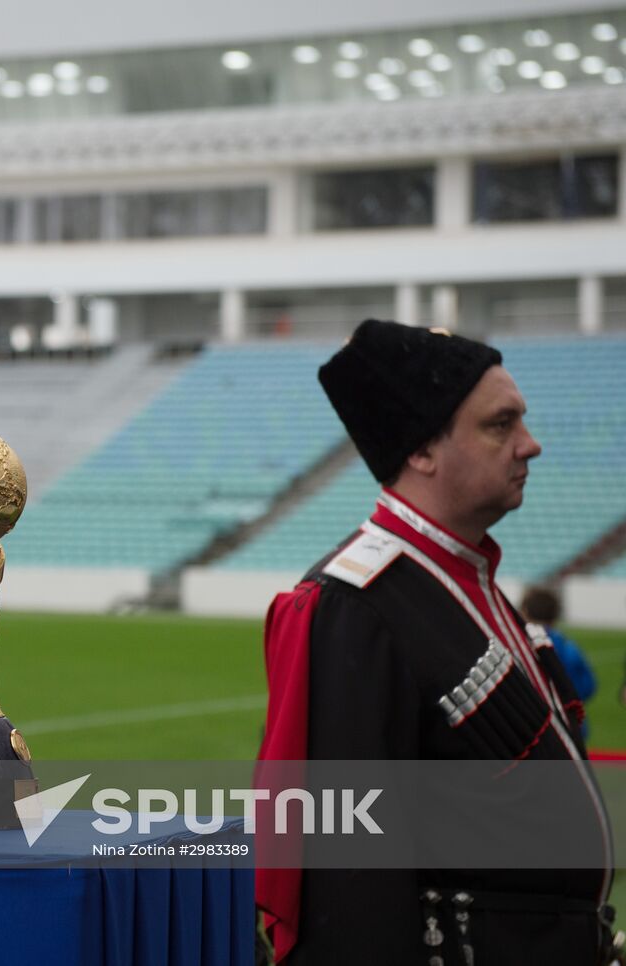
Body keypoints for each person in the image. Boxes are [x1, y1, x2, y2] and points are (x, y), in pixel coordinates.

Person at [256, 320, 613, 965]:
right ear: (422, 450)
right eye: (500, 425)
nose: (530, 445)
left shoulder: (468, 579)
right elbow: (347, 879)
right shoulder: (355, 604)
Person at [522, 585, 597, 740]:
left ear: (525, 612)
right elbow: (588, 686)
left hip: (535, 728)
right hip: (571, 724)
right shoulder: (568, 646)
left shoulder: (521, 646)